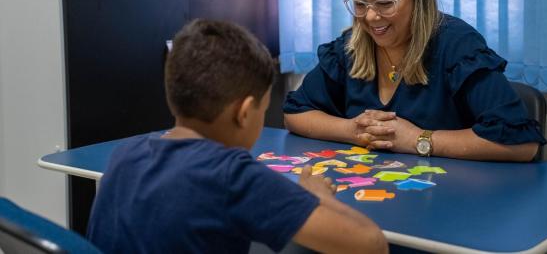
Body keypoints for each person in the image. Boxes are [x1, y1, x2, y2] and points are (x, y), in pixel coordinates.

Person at [86, 20, 388, 254]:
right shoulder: (232, 176)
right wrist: (316, 197)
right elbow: (371, 244)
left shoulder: (125, 154)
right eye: (263, 109)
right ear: (244, 112)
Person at [283, 0, 546, 162]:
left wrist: (418, 140)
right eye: (360, 4)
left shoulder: (457, 45)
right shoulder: (352, 45)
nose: (371, 17)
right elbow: (296, 113)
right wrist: (352, 130)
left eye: (385, 3)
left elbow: (522, 145)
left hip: (450, 200)